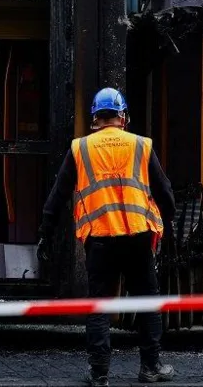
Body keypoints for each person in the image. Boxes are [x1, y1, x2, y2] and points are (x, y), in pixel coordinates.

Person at [37, 88, 176, 387]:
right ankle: (151, 367)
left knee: (99, 304)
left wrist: (45, 232)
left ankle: (99, 373)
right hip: (138, 236)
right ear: (123, 116)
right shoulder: (141, 145)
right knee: (148, 300)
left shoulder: (81, 148)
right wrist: (169, 222)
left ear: (94, 119)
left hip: (99, 238)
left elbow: (58, 194)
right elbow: (164, 191)